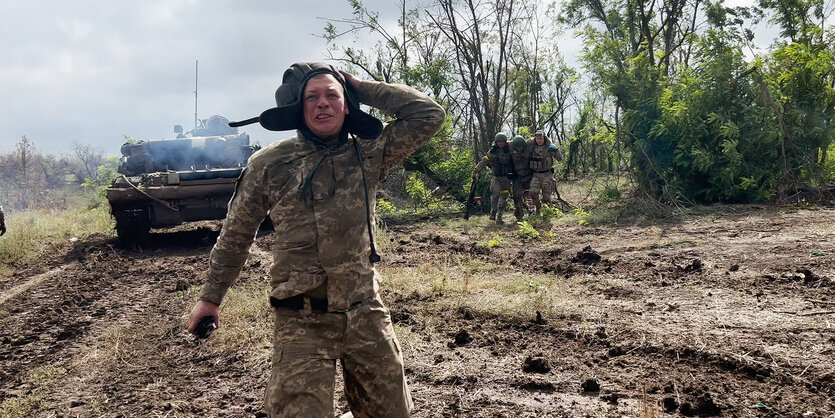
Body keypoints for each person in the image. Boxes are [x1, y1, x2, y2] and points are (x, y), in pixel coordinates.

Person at [187, 62, 445, 417]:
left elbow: (427, 114)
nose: (323, 104)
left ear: (346, 106)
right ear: (298, 107)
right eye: (312, 97)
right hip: (301, 320)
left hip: (365, 312)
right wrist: (210, 298)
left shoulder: (369, 153)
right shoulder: (270, 164)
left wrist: (360, 87)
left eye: (332, 96)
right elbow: (236, 234)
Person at [471, 133, 514, 224]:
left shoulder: (509, 149)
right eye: (499, 142)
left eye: (503, 141)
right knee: (496, 194)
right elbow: (484, 161)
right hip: (496, 178)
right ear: (496, 142)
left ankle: (499, 217)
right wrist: (475, 171)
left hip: (506, 178)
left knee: (503, 198)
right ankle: (493, 212)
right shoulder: (492, 152)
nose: (501, 143)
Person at [528, 130, 563, 214]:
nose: (539, 140)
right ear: (535, 139)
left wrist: (555, 150)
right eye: (537, 139)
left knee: (546, 197)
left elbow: (560, 158)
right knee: (532, 192)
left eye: (541, 138)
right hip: (535, 174)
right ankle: (538, 208)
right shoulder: (531, 147)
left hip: (547, 174)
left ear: (544, 138)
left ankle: (547, 212)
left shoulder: (549, 147)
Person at [509, 135, 532, 222]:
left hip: (528, 176)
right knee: (517, 196)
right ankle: (519, 214)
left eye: (520, 147)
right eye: (517, 147)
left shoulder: (528, 151)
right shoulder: (511, 152)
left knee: (531, 195)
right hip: (517, 177)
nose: (519, 148)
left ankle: (532, 212)